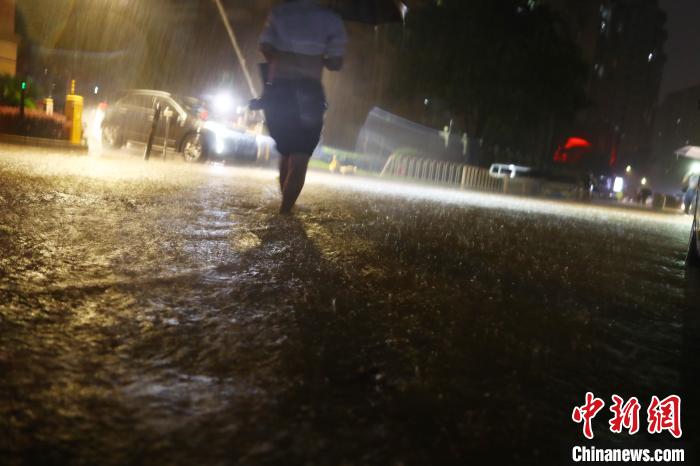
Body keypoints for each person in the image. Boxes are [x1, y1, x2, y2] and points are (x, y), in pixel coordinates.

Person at [257, 0, 347, 214]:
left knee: (286, 151)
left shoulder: (280, 12)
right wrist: (317, 58)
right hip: (309, 91)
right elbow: (336, 63)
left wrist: (286, 56)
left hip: (280, 90)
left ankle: (283, 212)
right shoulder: (332, 21)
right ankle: (286, 212)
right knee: (301, 155)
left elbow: (265, 46)